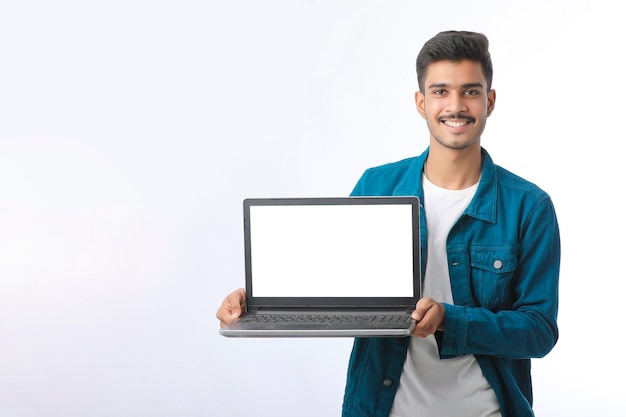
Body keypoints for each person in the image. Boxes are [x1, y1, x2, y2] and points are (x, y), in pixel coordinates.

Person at [216, 30, 560, 417]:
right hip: (382, 408)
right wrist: (259, 297)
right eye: (441, 91)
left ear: (490, 100)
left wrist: (450, 318)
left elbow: (539, 331)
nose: (455, 105)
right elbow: (330, 277)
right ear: (421, 102)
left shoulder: (529, 207)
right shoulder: (376, 186)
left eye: (470, 91)